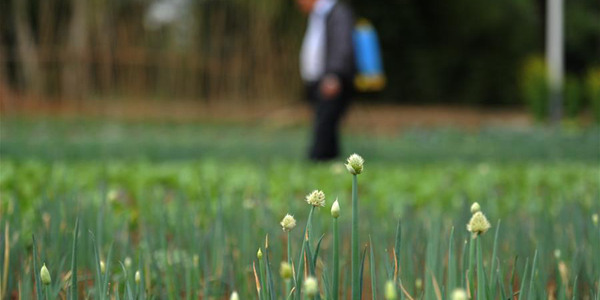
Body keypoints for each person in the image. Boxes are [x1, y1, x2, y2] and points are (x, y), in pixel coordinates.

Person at [296, 0, 356, 161]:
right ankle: (330, 163)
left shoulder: (337, 13)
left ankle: (319, 160)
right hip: (318, 80)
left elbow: (342, 46)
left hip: (331, 80)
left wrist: (333, 75)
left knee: (325, 124)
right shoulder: (318, 15)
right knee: (325, 124)